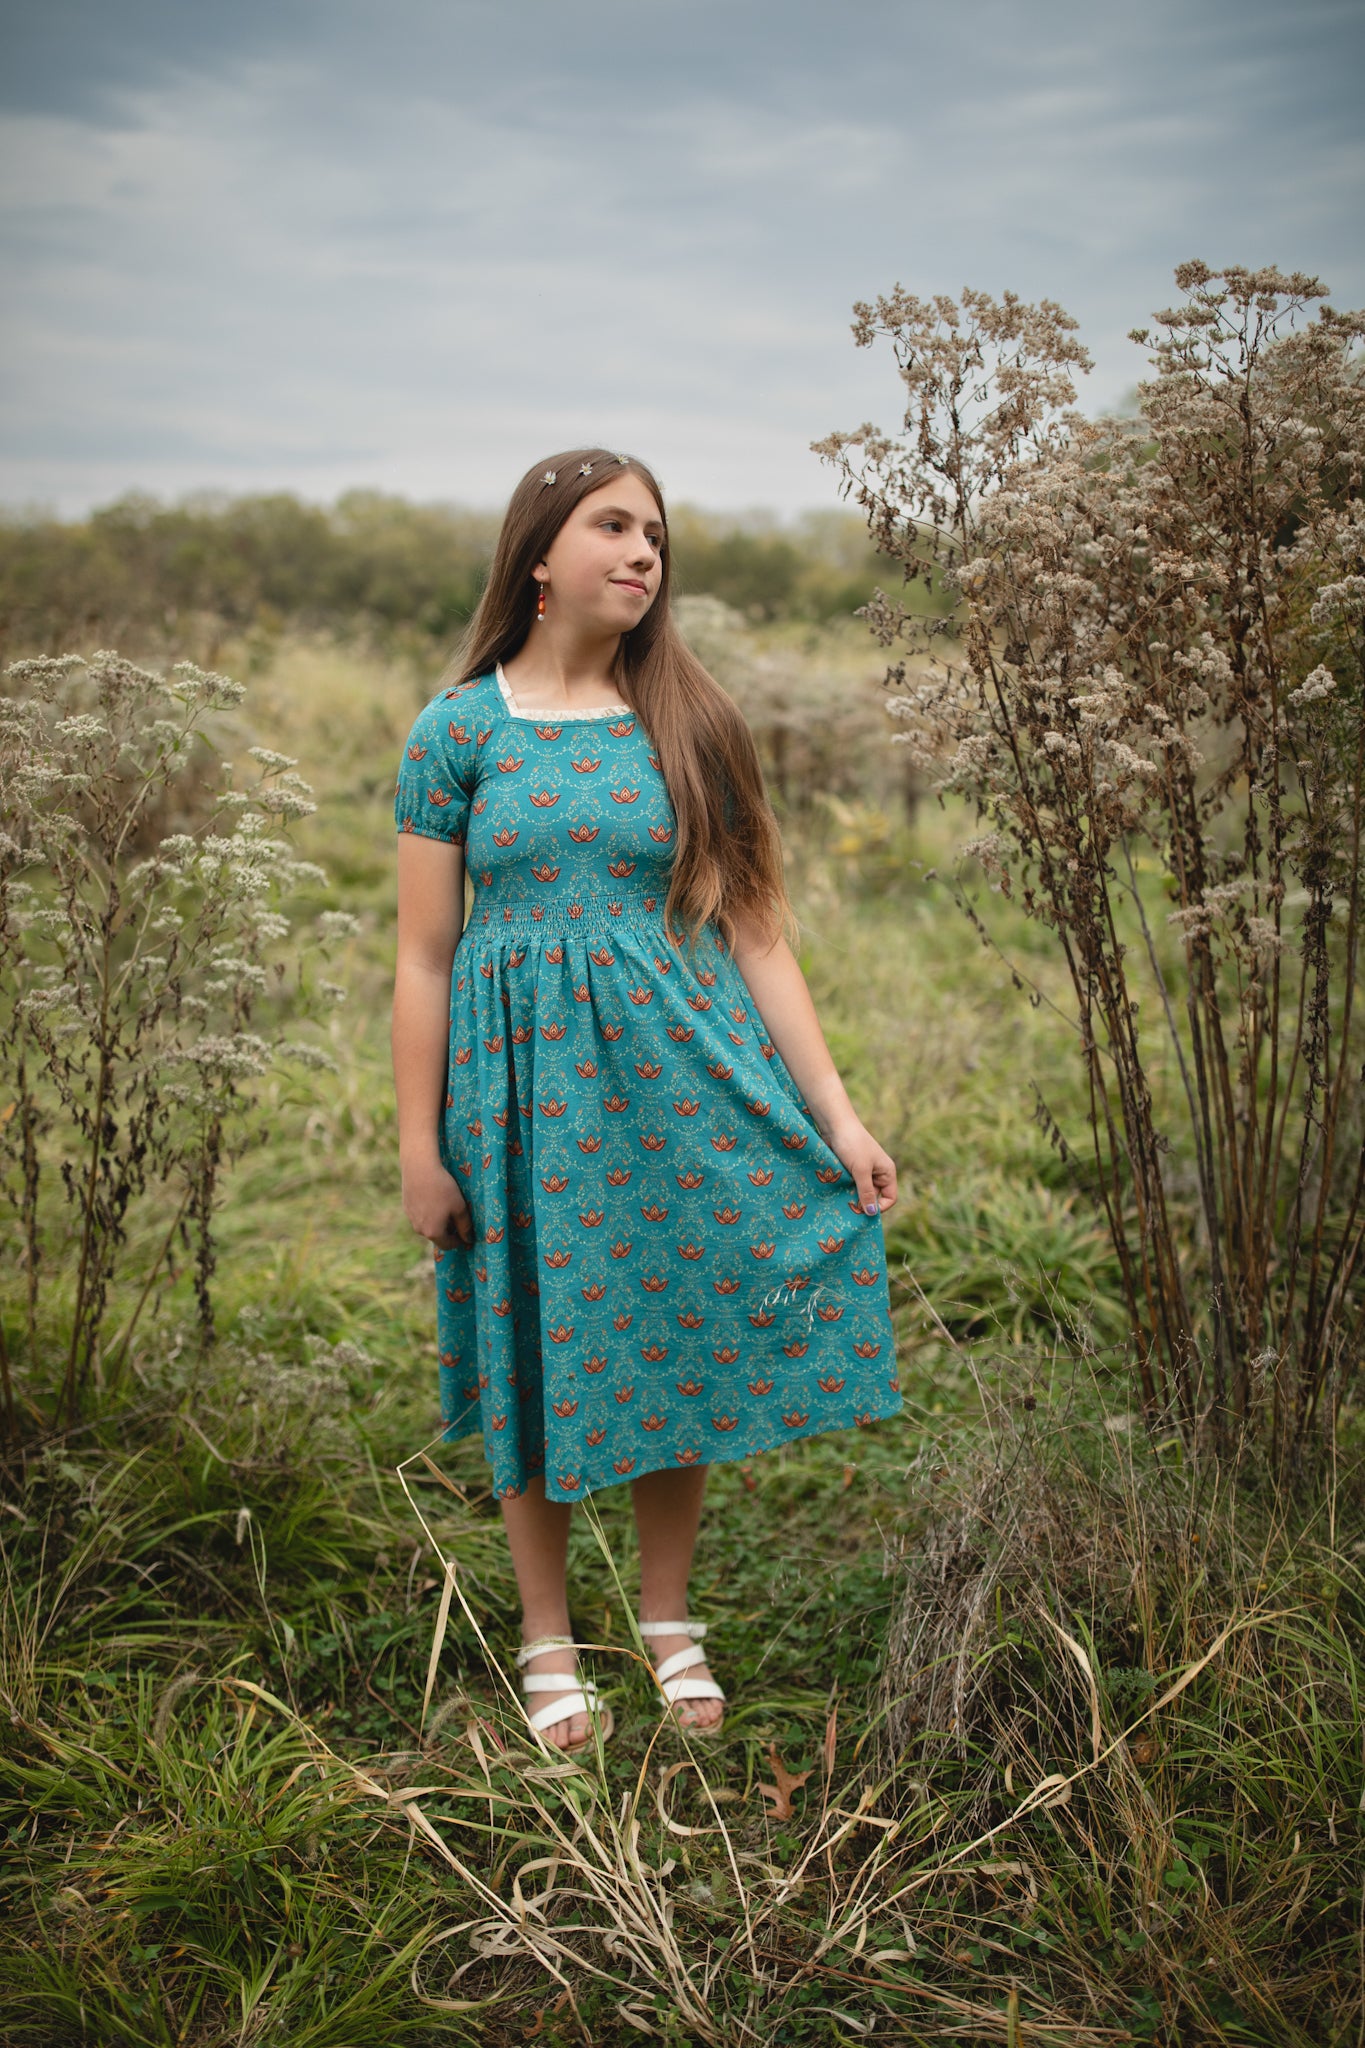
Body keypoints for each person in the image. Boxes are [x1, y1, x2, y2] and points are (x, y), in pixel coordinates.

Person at [392, 448, 901, 1753]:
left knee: (677, 1327)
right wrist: (416, 1143)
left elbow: (754, 932)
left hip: (681, 1085)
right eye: (612, 527)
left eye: (655, 536)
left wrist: (836, 1117)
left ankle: (668, 1618)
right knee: (534, 1345)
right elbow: (423, 956)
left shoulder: (690, 721)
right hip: (516, 1103)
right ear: (538, 555)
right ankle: (546, 1633)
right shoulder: (458, 733)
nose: (641, 554)